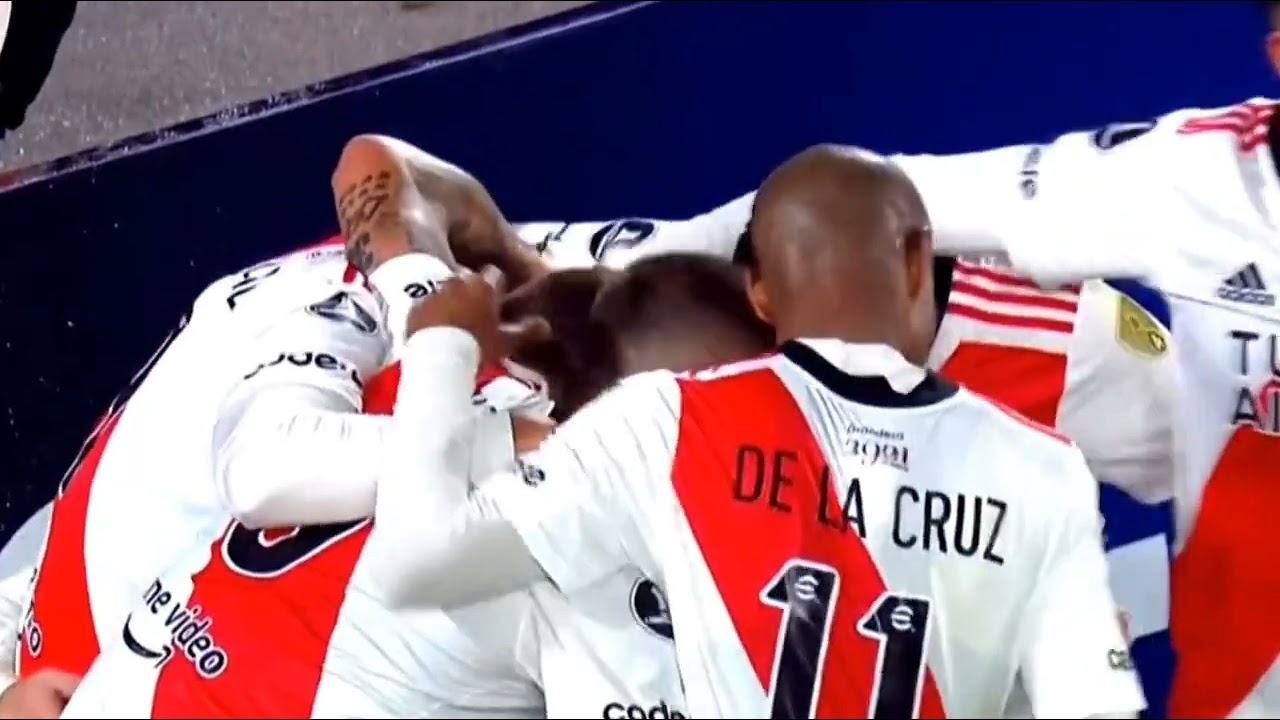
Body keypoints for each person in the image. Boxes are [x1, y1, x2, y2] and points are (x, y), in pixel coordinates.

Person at [366, 145, 1145, 718]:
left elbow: (417, 566)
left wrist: (441, 347)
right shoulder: (1043, 470)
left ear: (762, 294)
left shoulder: (659, 421)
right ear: (920, 262)